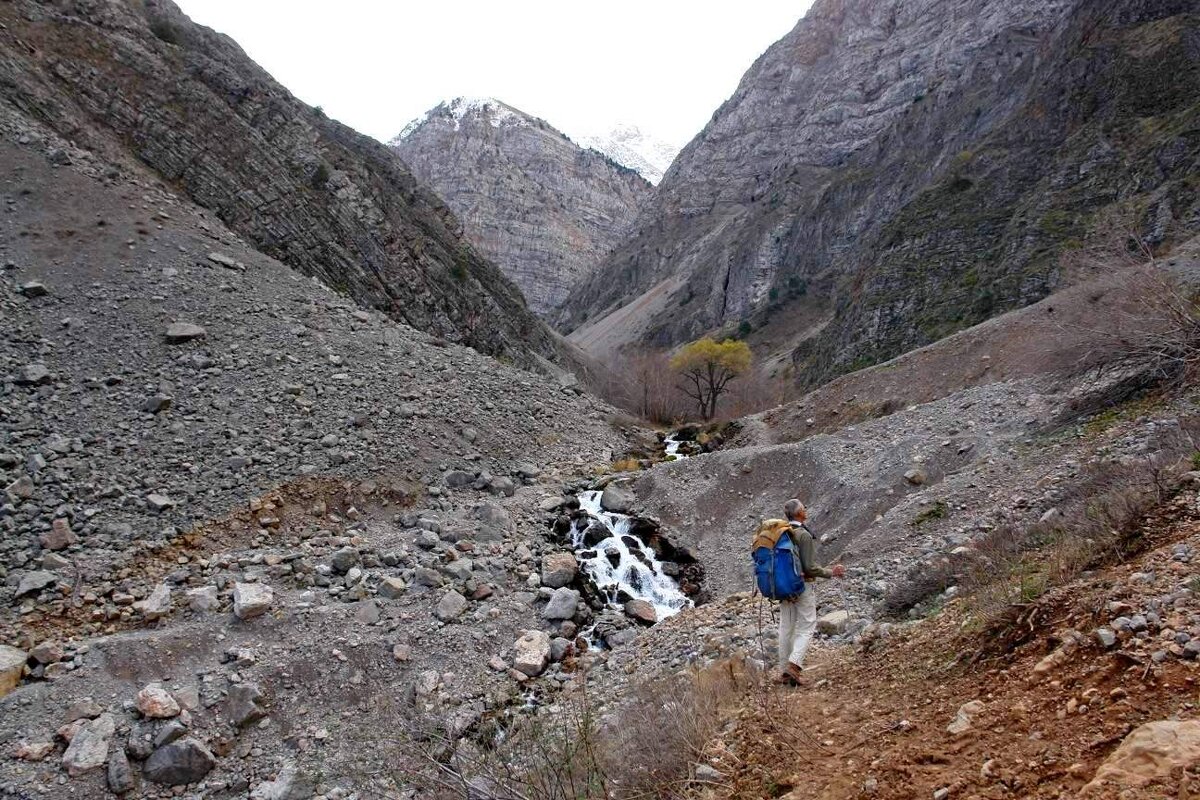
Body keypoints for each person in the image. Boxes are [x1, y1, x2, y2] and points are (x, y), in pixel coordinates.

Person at [777, 498, 845, 685]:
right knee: (807, 625)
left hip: (783, 587)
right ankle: (794, 665)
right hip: (802, 586)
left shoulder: (780, 533)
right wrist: (831, 573)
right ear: (799, 513)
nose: (806, 510)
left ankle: (784, 671)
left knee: (786, 627)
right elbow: (809, 567)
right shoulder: (803, 535)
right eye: (804, 508)